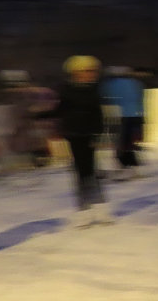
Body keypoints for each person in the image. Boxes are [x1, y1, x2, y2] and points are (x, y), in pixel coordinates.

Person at [36, 56, 112, 227]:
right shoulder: (67, 90)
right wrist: (41, 116)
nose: (91, 74)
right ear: (76, 73)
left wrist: (99, 134)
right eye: (87, 71)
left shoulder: (94, 90)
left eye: (93, 71)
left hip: (90, 135)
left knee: (92, 172)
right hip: (74, 134)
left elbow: (98, 114)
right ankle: (84, 210)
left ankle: (100, 208)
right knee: (81, 172)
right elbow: (60, 110)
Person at [102, 66, 146, 178]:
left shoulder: (110, 84)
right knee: (129, 142)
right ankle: (132, 165)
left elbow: (107, 98)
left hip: (117, 116)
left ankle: (124, 166)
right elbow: (140, 99)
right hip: (135, 115)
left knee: (120, 143)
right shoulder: (136, 83)